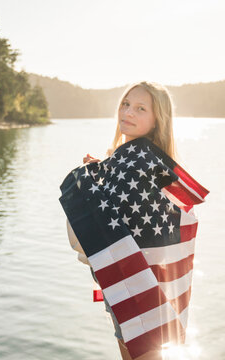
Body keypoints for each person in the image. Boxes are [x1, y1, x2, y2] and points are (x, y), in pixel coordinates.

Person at [67, 81, 181, 360]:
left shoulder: (139, 162)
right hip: (121, 278)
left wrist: (93, 181)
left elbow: (115, 217)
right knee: (130, 349)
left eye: (140, 108)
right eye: (126, 104)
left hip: (135, 279)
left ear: (157, 121)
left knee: (144, 352)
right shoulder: (129, 159)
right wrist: (101, 172)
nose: (128, 112)